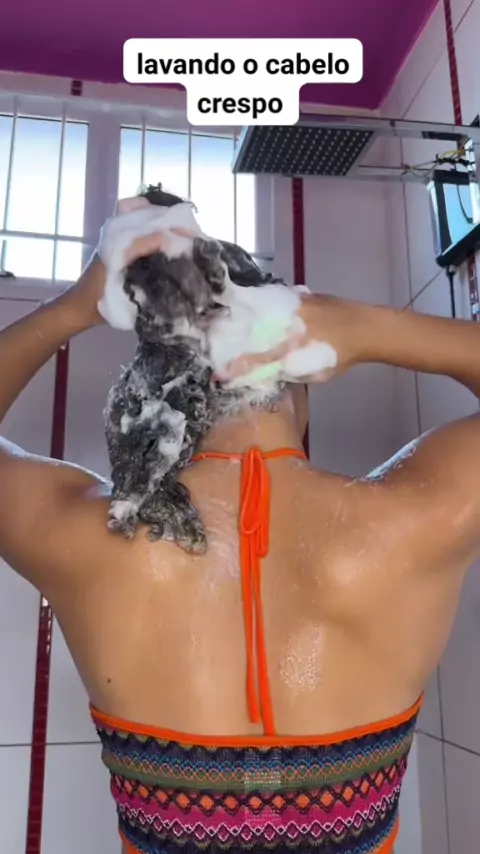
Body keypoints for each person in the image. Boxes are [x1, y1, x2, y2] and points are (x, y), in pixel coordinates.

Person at [1, 213, 480, 854]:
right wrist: (370, 329)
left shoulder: (90, 541)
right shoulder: (413, 526)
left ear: (160, 393)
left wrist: (69, 310)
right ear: (301, 376)